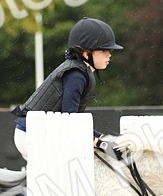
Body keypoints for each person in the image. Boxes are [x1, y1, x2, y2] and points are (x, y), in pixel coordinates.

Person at [11, 17, 122, 158]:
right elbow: (70, 119)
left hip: (40, 132)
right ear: (85, 53)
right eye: (103, 50)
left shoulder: (82, 71)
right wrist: (101, 144)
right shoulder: (76, 75)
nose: (109, 54)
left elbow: (76, 120)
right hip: (31, 135)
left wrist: (100, 138)